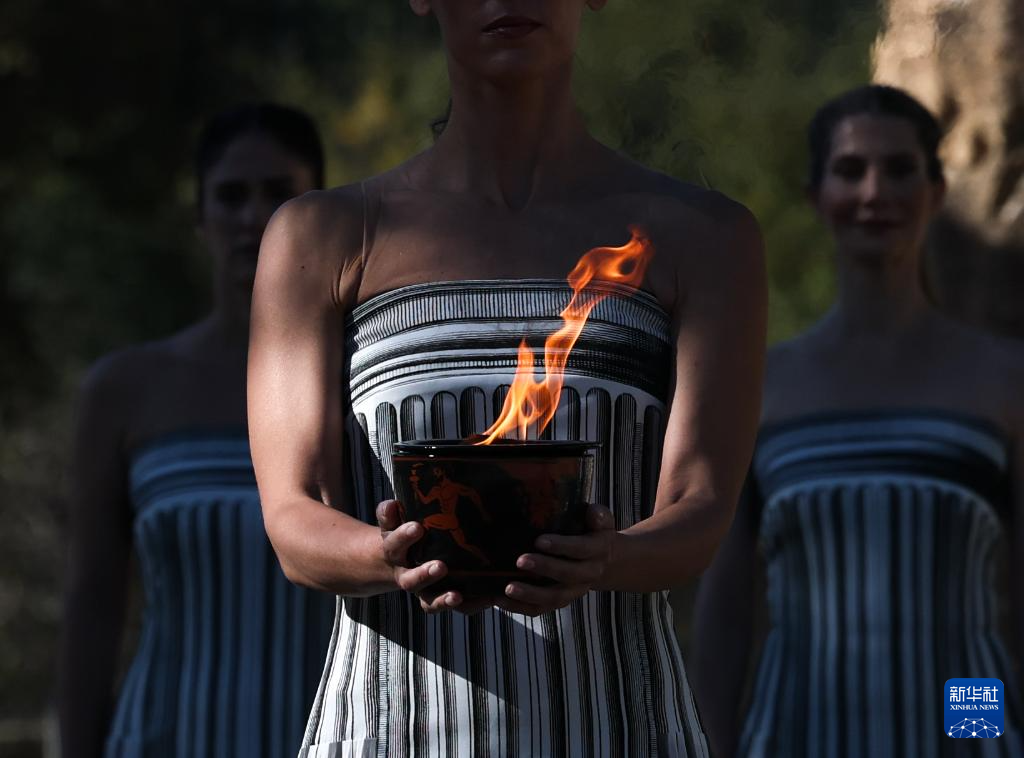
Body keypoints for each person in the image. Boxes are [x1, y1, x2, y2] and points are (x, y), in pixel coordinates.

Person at [248, 3, 765, 756]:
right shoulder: (325, 236)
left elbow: (701, 510)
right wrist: (392, 555)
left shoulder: (703, 236)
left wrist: (606, 558)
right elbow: (295, 518)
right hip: (392, 732)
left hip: (623, 730)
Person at [690, 84, 1024, 757]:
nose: (875, 192)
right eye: (850, 170)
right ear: (816, 195)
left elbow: (1008, 608)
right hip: (795, 737)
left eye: (900, 169)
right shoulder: (763, 386)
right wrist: (713, 744)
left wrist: (974, 737)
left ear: (936, 191)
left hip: (959, 739)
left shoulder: (1002, 379)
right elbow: (725, 608)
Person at [59, 103, 335, 758]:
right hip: (164, 737)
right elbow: (92, 605)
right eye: (231, 196)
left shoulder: (360, 383)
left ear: (317, 212)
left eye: (278, 194)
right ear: (200, 214)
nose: (253, 217)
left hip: (328, 737)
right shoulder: (126, 391)